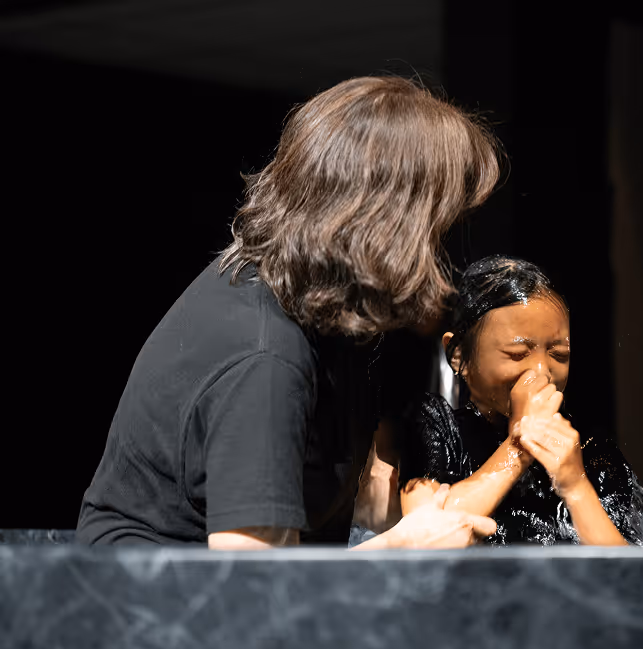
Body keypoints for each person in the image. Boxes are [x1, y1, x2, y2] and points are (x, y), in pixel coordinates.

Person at [76, 76, 502, 549]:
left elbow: (320, 515)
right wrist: (404, 549)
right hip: (156, 614)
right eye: (437, 225)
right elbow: (255, 591)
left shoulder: (315, 316)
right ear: (390, 224)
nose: (439, 249)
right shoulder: (266, 356)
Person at [397, 256, 643, 546]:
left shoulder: (589, 452)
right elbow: (425, 534)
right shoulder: (436, 426)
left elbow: (628, 577)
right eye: (518, 354)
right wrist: (519, 447)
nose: (542, 372)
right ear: (458, 355)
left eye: (559, 355)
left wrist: (576, 485)